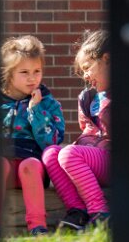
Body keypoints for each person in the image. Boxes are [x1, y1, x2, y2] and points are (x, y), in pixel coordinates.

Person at [0, 35, 65, 238]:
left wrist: (35, 111)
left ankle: (38, 227)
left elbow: (52, 141)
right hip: (1, 168)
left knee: (30, 166)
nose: (32, 78)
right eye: (24, 72)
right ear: (9, 74)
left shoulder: (47, 103)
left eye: (37, 71)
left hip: (31, 166)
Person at [42, 30, 112, 231]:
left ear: (106, 59)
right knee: (51, 153)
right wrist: (82, 143)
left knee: (69, 154)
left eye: (87, 68)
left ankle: (100, 211)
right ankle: (77, 210)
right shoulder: (88, 98)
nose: (85, 76)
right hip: (97, 156)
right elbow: (89, 129)